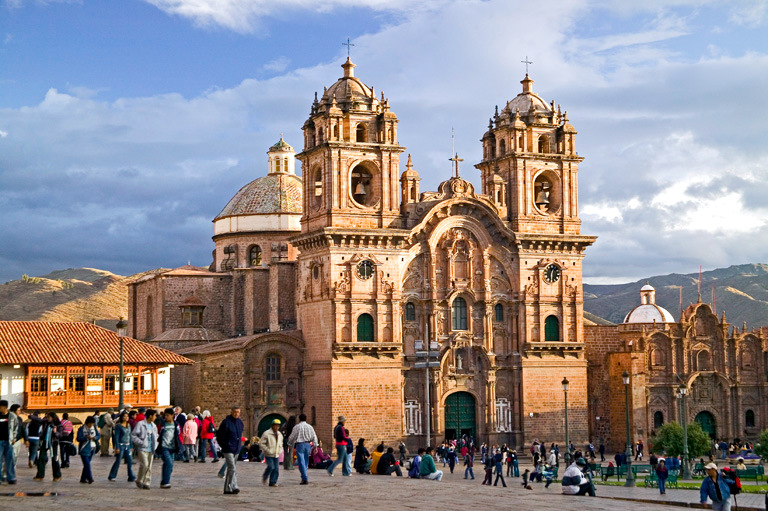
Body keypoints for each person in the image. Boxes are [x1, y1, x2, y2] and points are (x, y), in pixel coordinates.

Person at [217, 406, 244, 494]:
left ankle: (227, 489)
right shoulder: (226, 422)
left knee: (230, 469)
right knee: (232, 467)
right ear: (231, 412)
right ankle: (234, 486)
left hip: (236, 448)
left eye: (238, 412)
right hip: (228, 449)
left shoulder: (240, 422)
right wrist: (224, 446)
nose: (236, 414)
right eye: (235, 412)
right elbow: (219, 435)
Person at [286, 413, 318, 485]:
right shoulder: (310, 427)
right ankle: (304, 475)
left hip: (300, 445)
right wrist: (315, 446)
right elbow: (314, 436)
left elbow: (292, 436)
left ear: (299, 419)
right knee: (305, 461)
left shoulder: (297, 427)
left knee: (301, 462)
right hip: (308, 445)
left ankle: (304, 478)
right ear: (306, 419)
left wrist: (289, 444)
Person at [131, 408, 158, 490]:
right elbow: (134, 436)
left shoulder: (153, 425)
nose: (155, 417)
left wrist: (156, 443)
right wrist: (141, 442)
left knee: (149, 466)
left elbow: (156, 435)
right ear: (150, 416)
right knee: (145, 464)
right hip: (142, 448)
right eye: (154, 416)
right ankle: (139, 479)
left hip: (151, 448)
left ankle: (147, 482)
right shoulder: (140, 424)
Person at [34, 412, 62, 482]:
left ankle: (57, 475)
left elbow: (60, 435)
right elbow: (38, 420)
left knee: (54, 459)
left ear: (53, 417)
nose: (47, 418)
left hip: (53, 443)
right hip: (45, 442)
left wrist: (55, 432)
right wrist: (29, 416)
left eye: (49, 417)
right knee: (41, 458)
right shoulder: (46, 422)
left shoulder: (58, 424)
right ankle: (40, 475)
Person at [109, 411, 136, 482]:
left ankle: (131, 476)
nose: (126, 418)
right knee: (118, 461)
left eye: (127, 416)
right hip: (121, 445)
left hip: (127, 445)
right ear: (121, 417)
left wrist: (131, 446)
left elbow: (130, 436)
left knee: (130, 461)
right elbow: (116, 437)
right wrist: (117, 447)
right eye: (124, 416)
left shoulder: (129, 425)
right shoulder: (119, 426)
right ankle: (112, 475)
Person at [160, 408, 183, 488]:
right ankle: (166, 482)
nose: (166, 417)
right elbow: (159, 433)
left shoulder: (176, 425)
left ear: (172, 416)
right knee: (168, 462)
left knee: (169, 465)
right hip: (164, 446)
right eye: (165, 415)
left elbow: (179, 435)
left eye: (168, 415)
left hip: (173, 447)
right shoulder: (163, 424)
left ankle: (164, 481)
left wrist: (180, 445)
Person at [259, 418, 283, 487]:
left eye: (278, 426)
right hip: (269, 454)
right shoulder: (267, 433)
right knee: (271, 467)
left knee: (276, 469)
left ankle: (273, 482)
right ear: (272, 426)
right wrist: (267, 450)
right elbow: (262, 443)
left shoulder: (279, 434)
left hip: (276, 454)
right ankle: (265, 476)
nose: (276, 427)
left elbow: (280, 443)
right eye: (275, 425)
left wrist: (279, 450)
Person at [76, 415, 100, 484]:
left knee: (87, 464)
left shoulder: (94, 428)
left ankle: (83, 478)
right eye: (90, 424)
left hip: (92, 447)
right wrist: (86, 437)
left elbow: (98, 435)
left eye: (92, 424)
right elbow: (78, 438)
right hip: (84, 448)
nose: (91, 425)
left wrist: (95, 438)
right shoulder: (82, 429)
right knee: (87, 464)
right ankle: (90, 477)